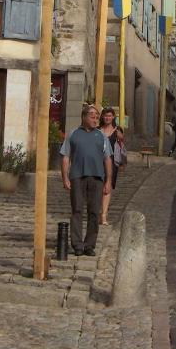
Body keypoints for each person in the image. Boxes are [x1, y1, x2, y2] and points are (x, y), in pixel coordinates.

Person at [60, 104, 112, 257]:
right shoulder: (73, 134)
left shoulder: (101, 136)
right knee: (77, 210)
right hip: (77, 177)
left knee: (94, 212)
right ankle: (77, 244)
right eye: (92, 116)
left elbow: (107, 159)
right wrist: (65, 177)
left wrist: (108, 181)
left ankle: (89, 245)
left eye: (97, 116)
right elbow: (65, 157)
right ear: (83, 117)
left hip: (96, 178)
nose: (96, 119)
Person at [98, 107, 124, 226]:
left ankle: (103, 214)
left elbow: (122, 143)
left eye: (110, 115)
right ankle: (98, 211)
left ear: (113, 117)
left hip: (112, 162)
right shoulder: (97, 130)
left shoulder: (117, 130)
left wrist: (120, 136)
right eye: (105, 115)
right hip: (97, 161)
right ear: (102, 117)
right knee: (97, 186)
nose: (107, 118)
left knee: (107, 187)